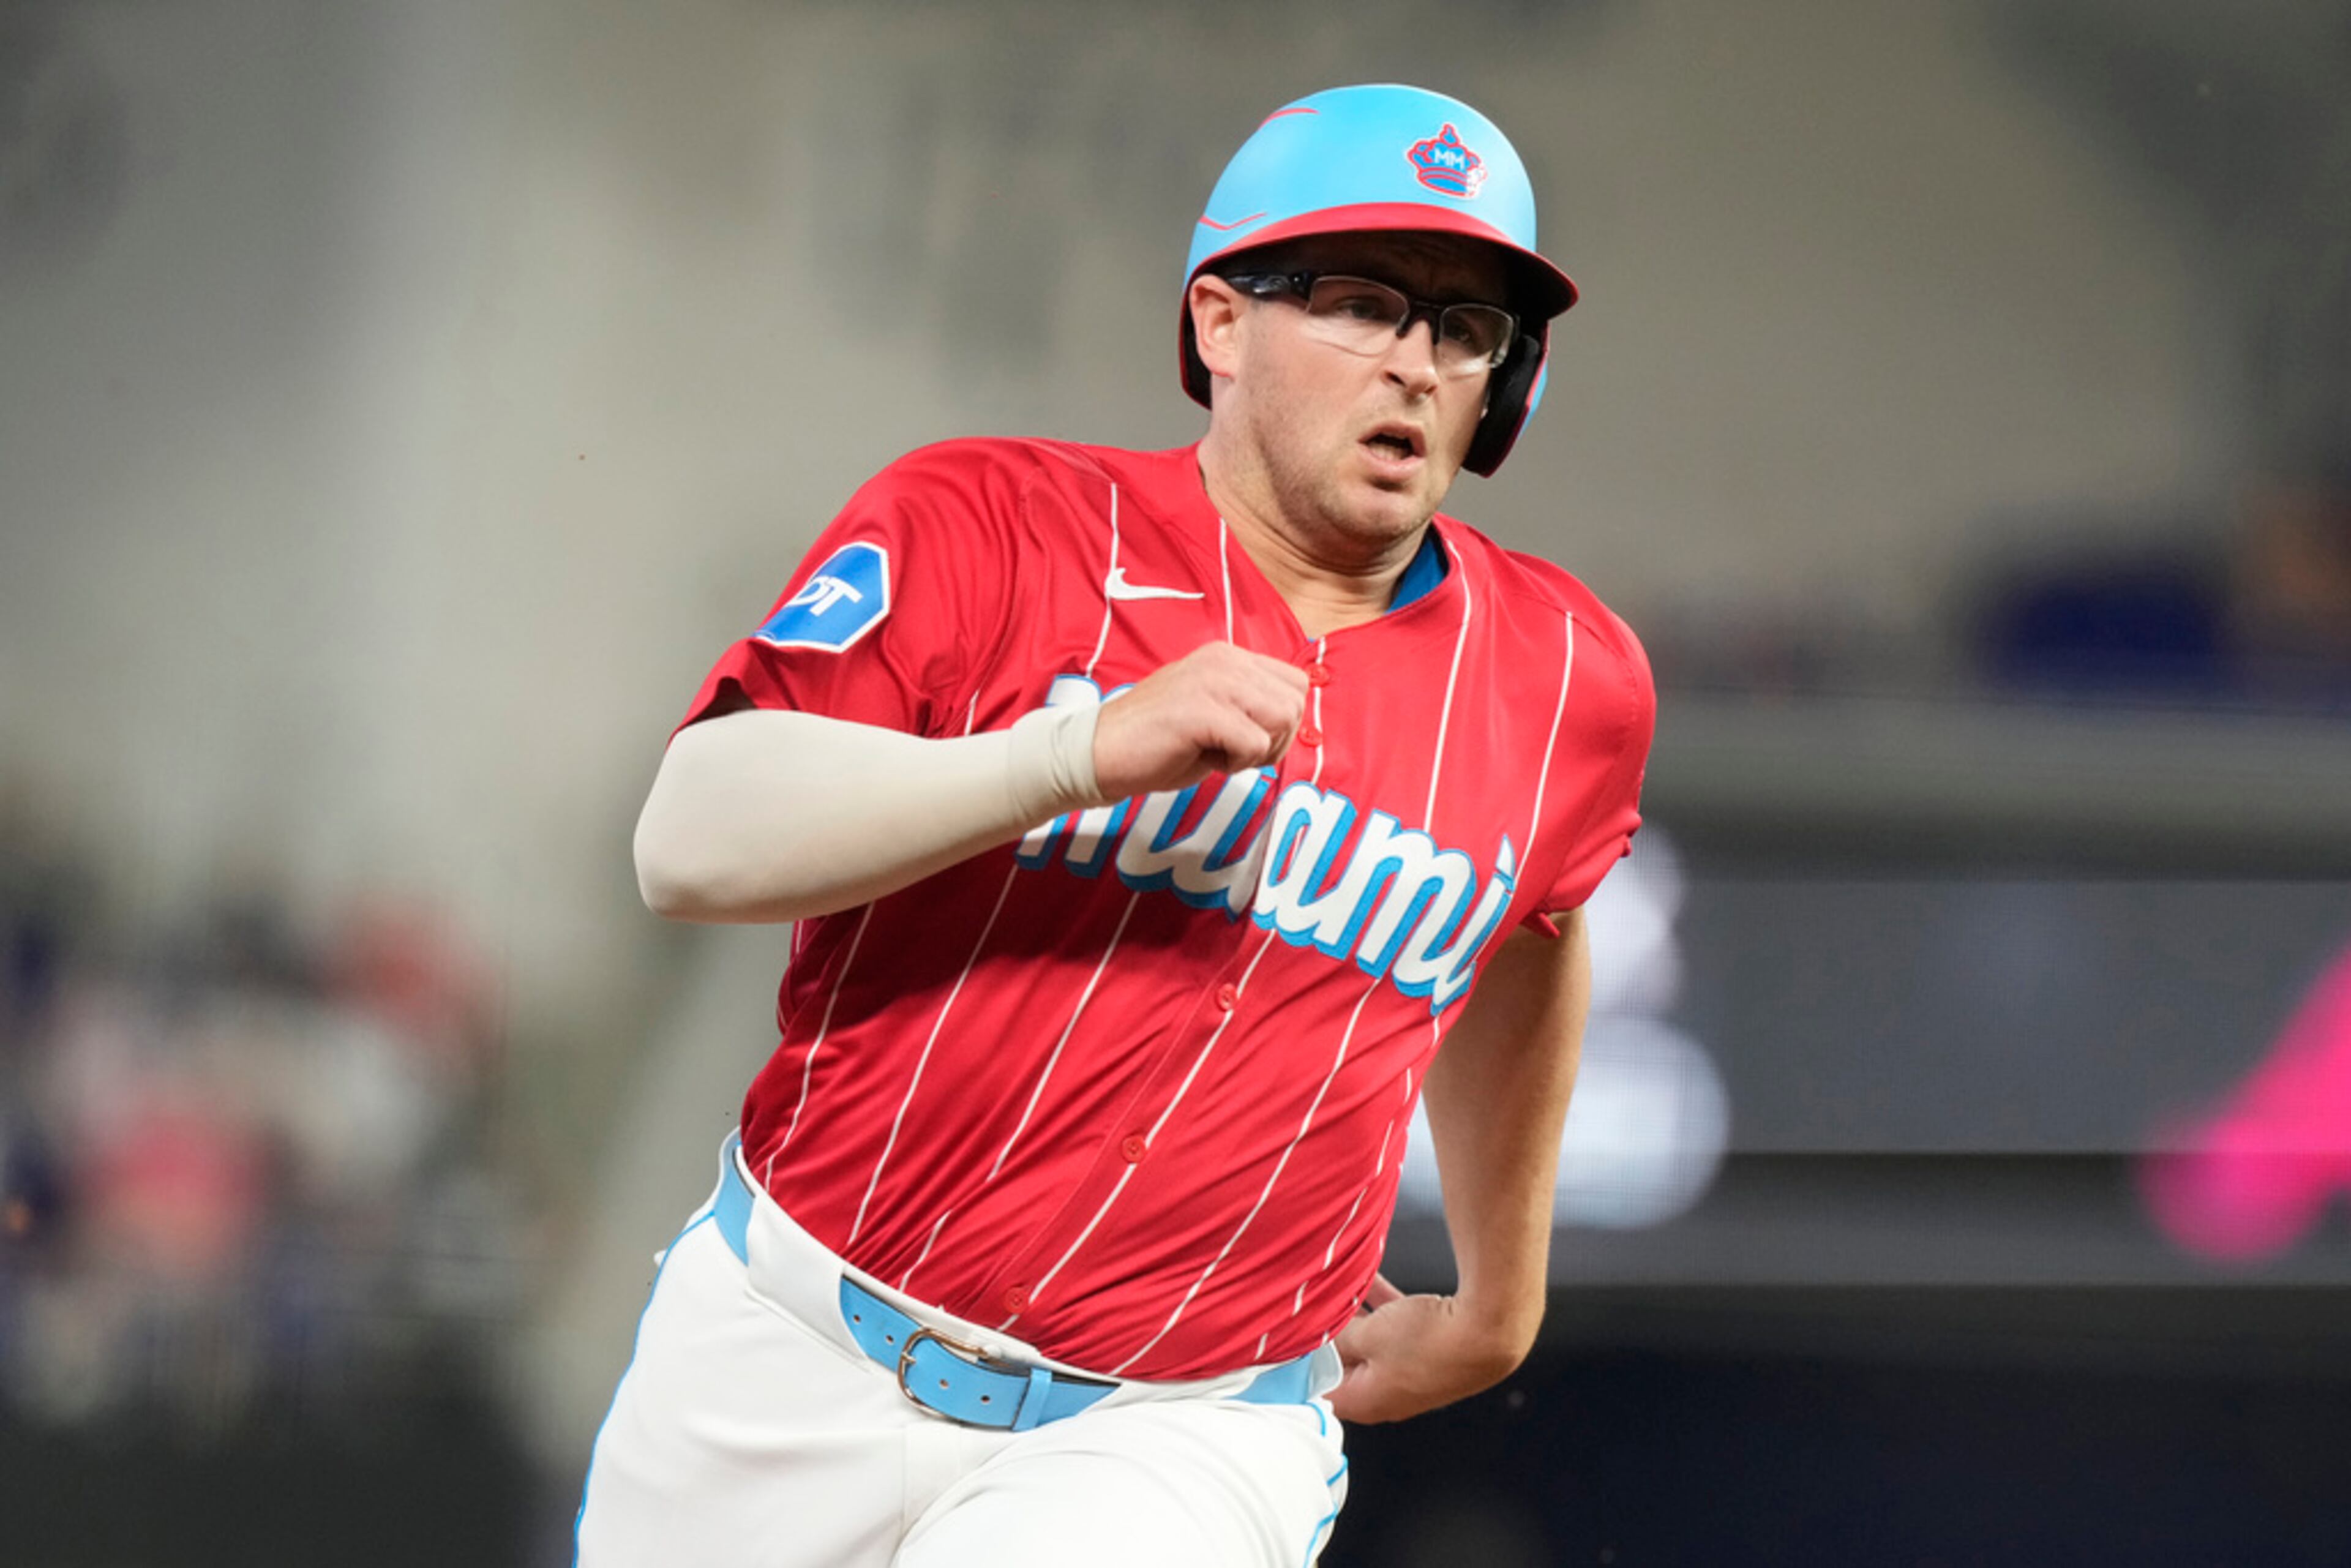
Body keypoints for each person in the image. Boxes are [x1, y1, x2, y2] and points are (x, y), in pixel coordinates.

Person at [575, 83, 1655, 1567]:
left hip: (1178, 1432)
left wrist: (1502, 1291)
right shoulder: (991, 522)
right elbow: (688, 842)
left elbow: (1532, 923)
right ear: (1220, 323)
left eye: (1465, 327)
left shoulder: (1567, 675)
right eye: (1360, 302)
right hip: (785, 1345)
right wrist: (1071, 755)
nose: (1415, 360)